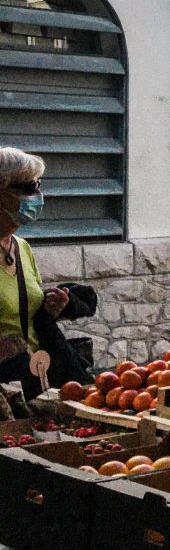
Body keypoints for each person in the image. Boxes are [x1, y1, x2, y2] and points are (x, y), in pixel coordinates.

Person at [0, 148, 90, 396]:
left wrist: (49, 308)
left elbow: (23, 310)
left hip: (33, 380)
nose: (38, 195)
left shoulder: (22, 248)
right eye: (28, 187)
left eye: (39, 184)